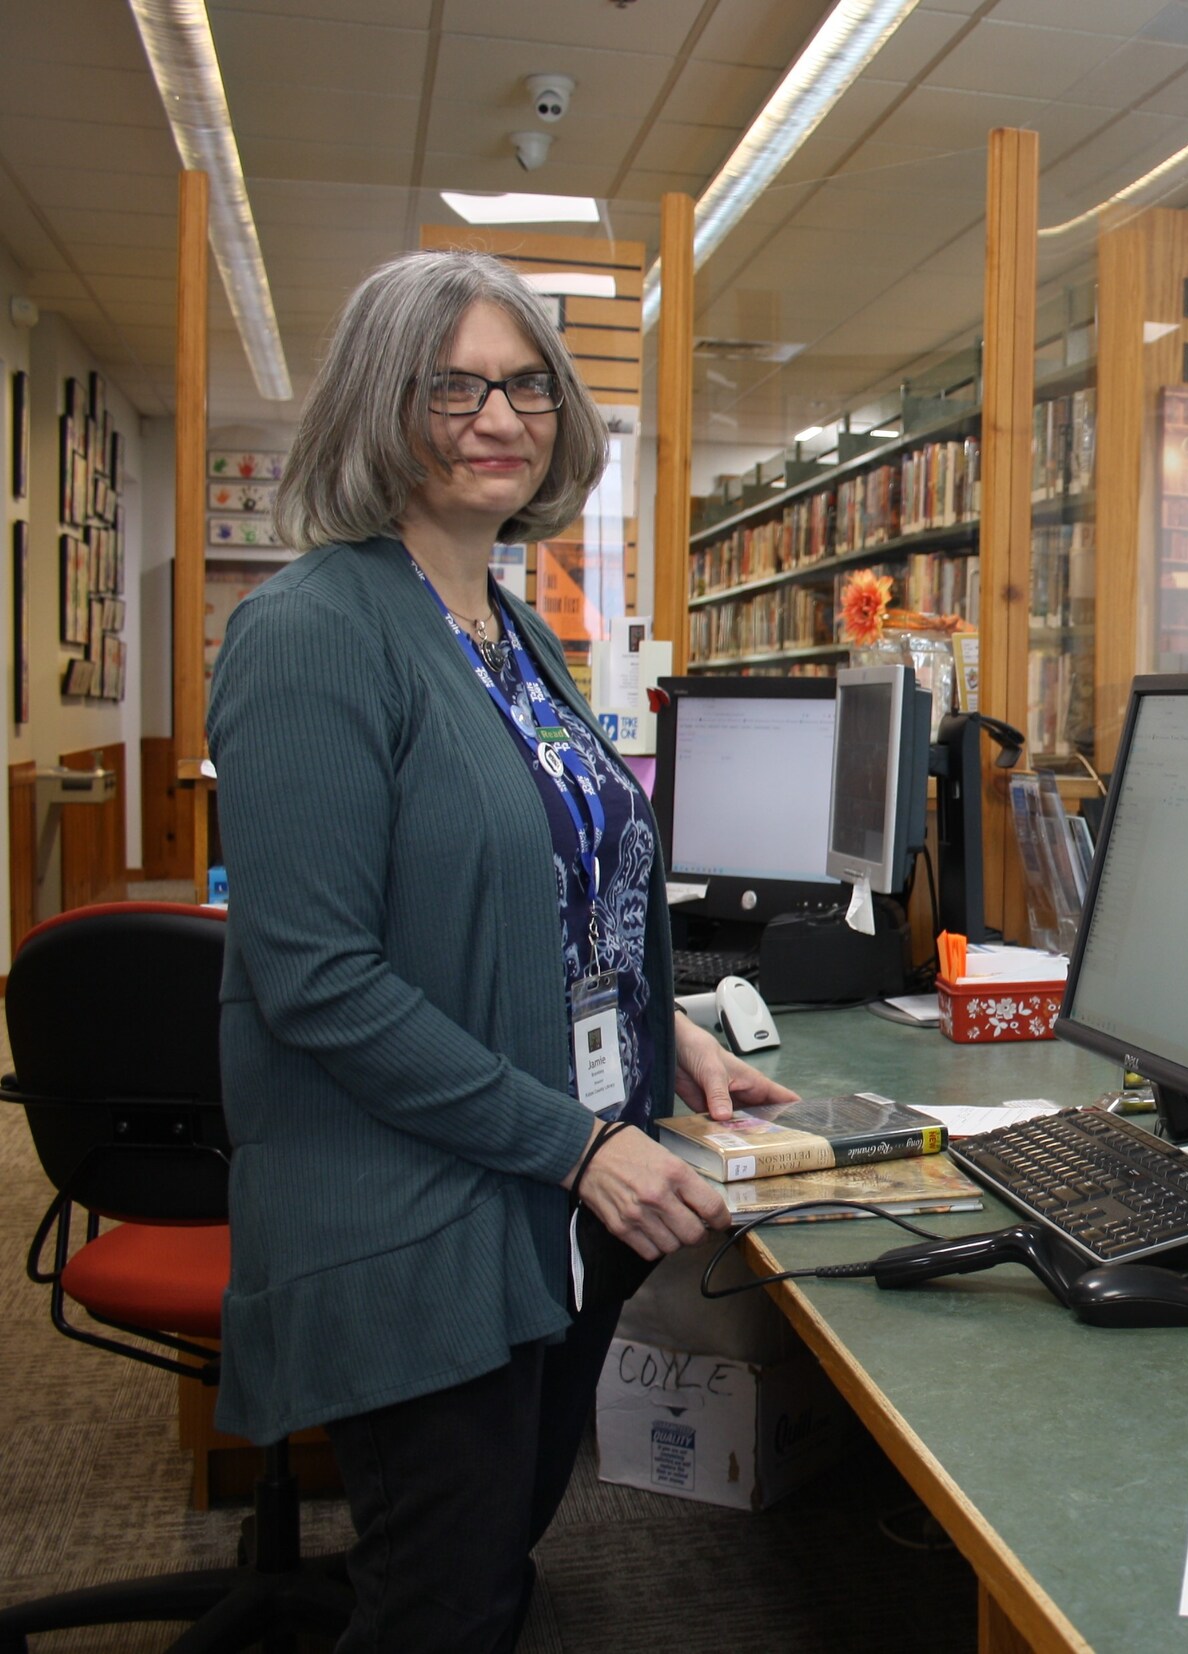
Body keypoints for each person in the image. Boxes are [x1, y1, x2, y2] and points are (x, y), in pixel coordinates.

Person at [209, 249, 796, 1652]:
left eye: (528, 386)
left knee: (495, 1551)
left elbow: (555, 889)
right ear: (379, 403)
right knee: (446, 1599)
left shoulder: (508, 626)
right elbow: (317, 979)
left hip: (550, 1185)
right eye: (454, 385)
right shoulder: (307, 632)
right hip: (419, 1205)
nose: (500, 418)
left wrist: (667, 1031)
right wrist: (580, 1146)